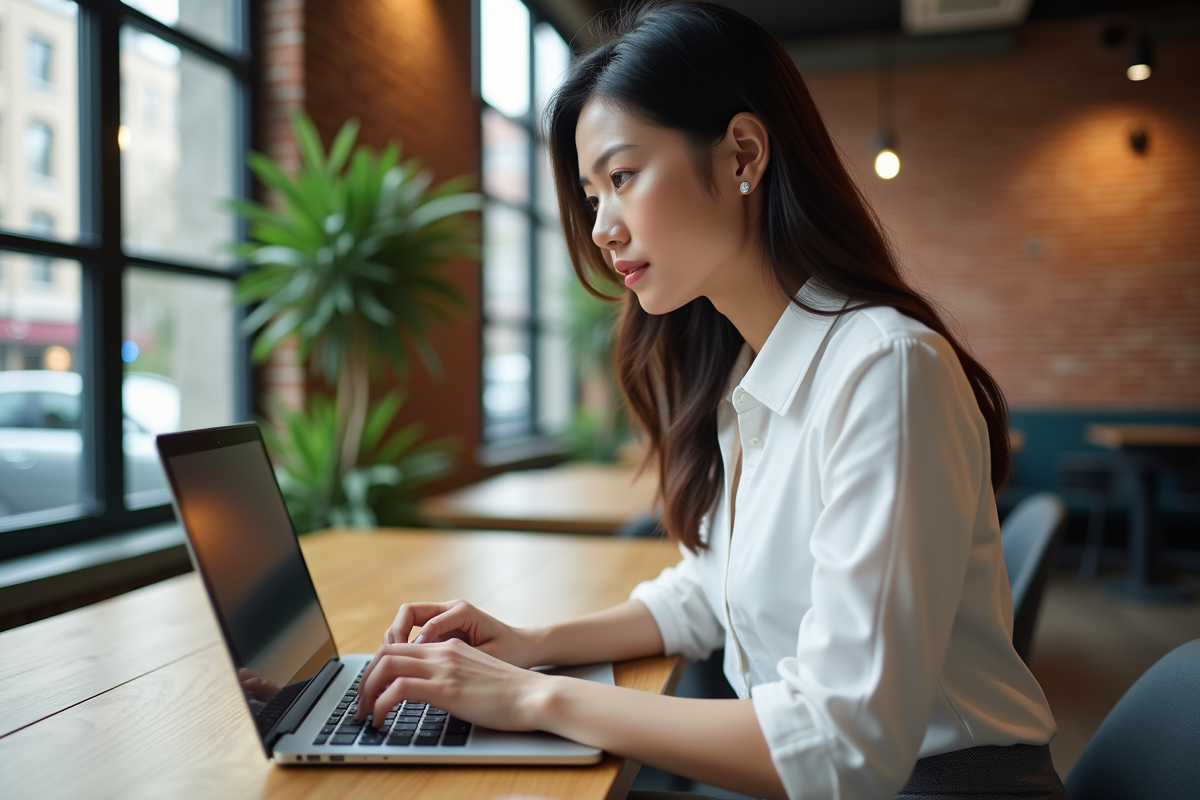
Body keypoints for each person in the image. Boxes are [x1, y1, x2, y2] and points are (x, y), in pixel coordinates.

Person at [355, 3, 1068, 798]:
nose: (600, 228)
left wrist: (531, 696)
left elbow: (841, 749)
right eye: (592, 195)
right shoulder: (748, 371)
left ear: (742, 155)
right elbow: (707, 589)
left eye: (621, 177)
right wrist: (531, 642)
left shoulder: (884, 369)